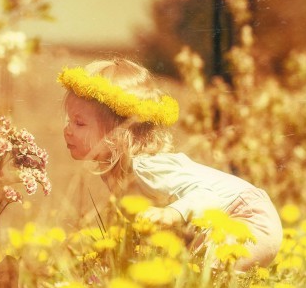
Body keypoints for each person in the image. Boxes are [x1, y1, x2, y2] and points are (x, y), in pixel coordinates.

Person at [58, 58, 283, 271]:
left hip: (247, 218)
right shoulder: (120, 171)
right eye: (69, 120)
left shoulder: (146, 168)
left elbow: (206, 194)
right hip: (230, 219)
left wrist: (172, 214)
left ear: (119, 134)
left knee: (203, 272)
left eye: (79, 123)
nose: (67, 129)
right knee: (185, 270)